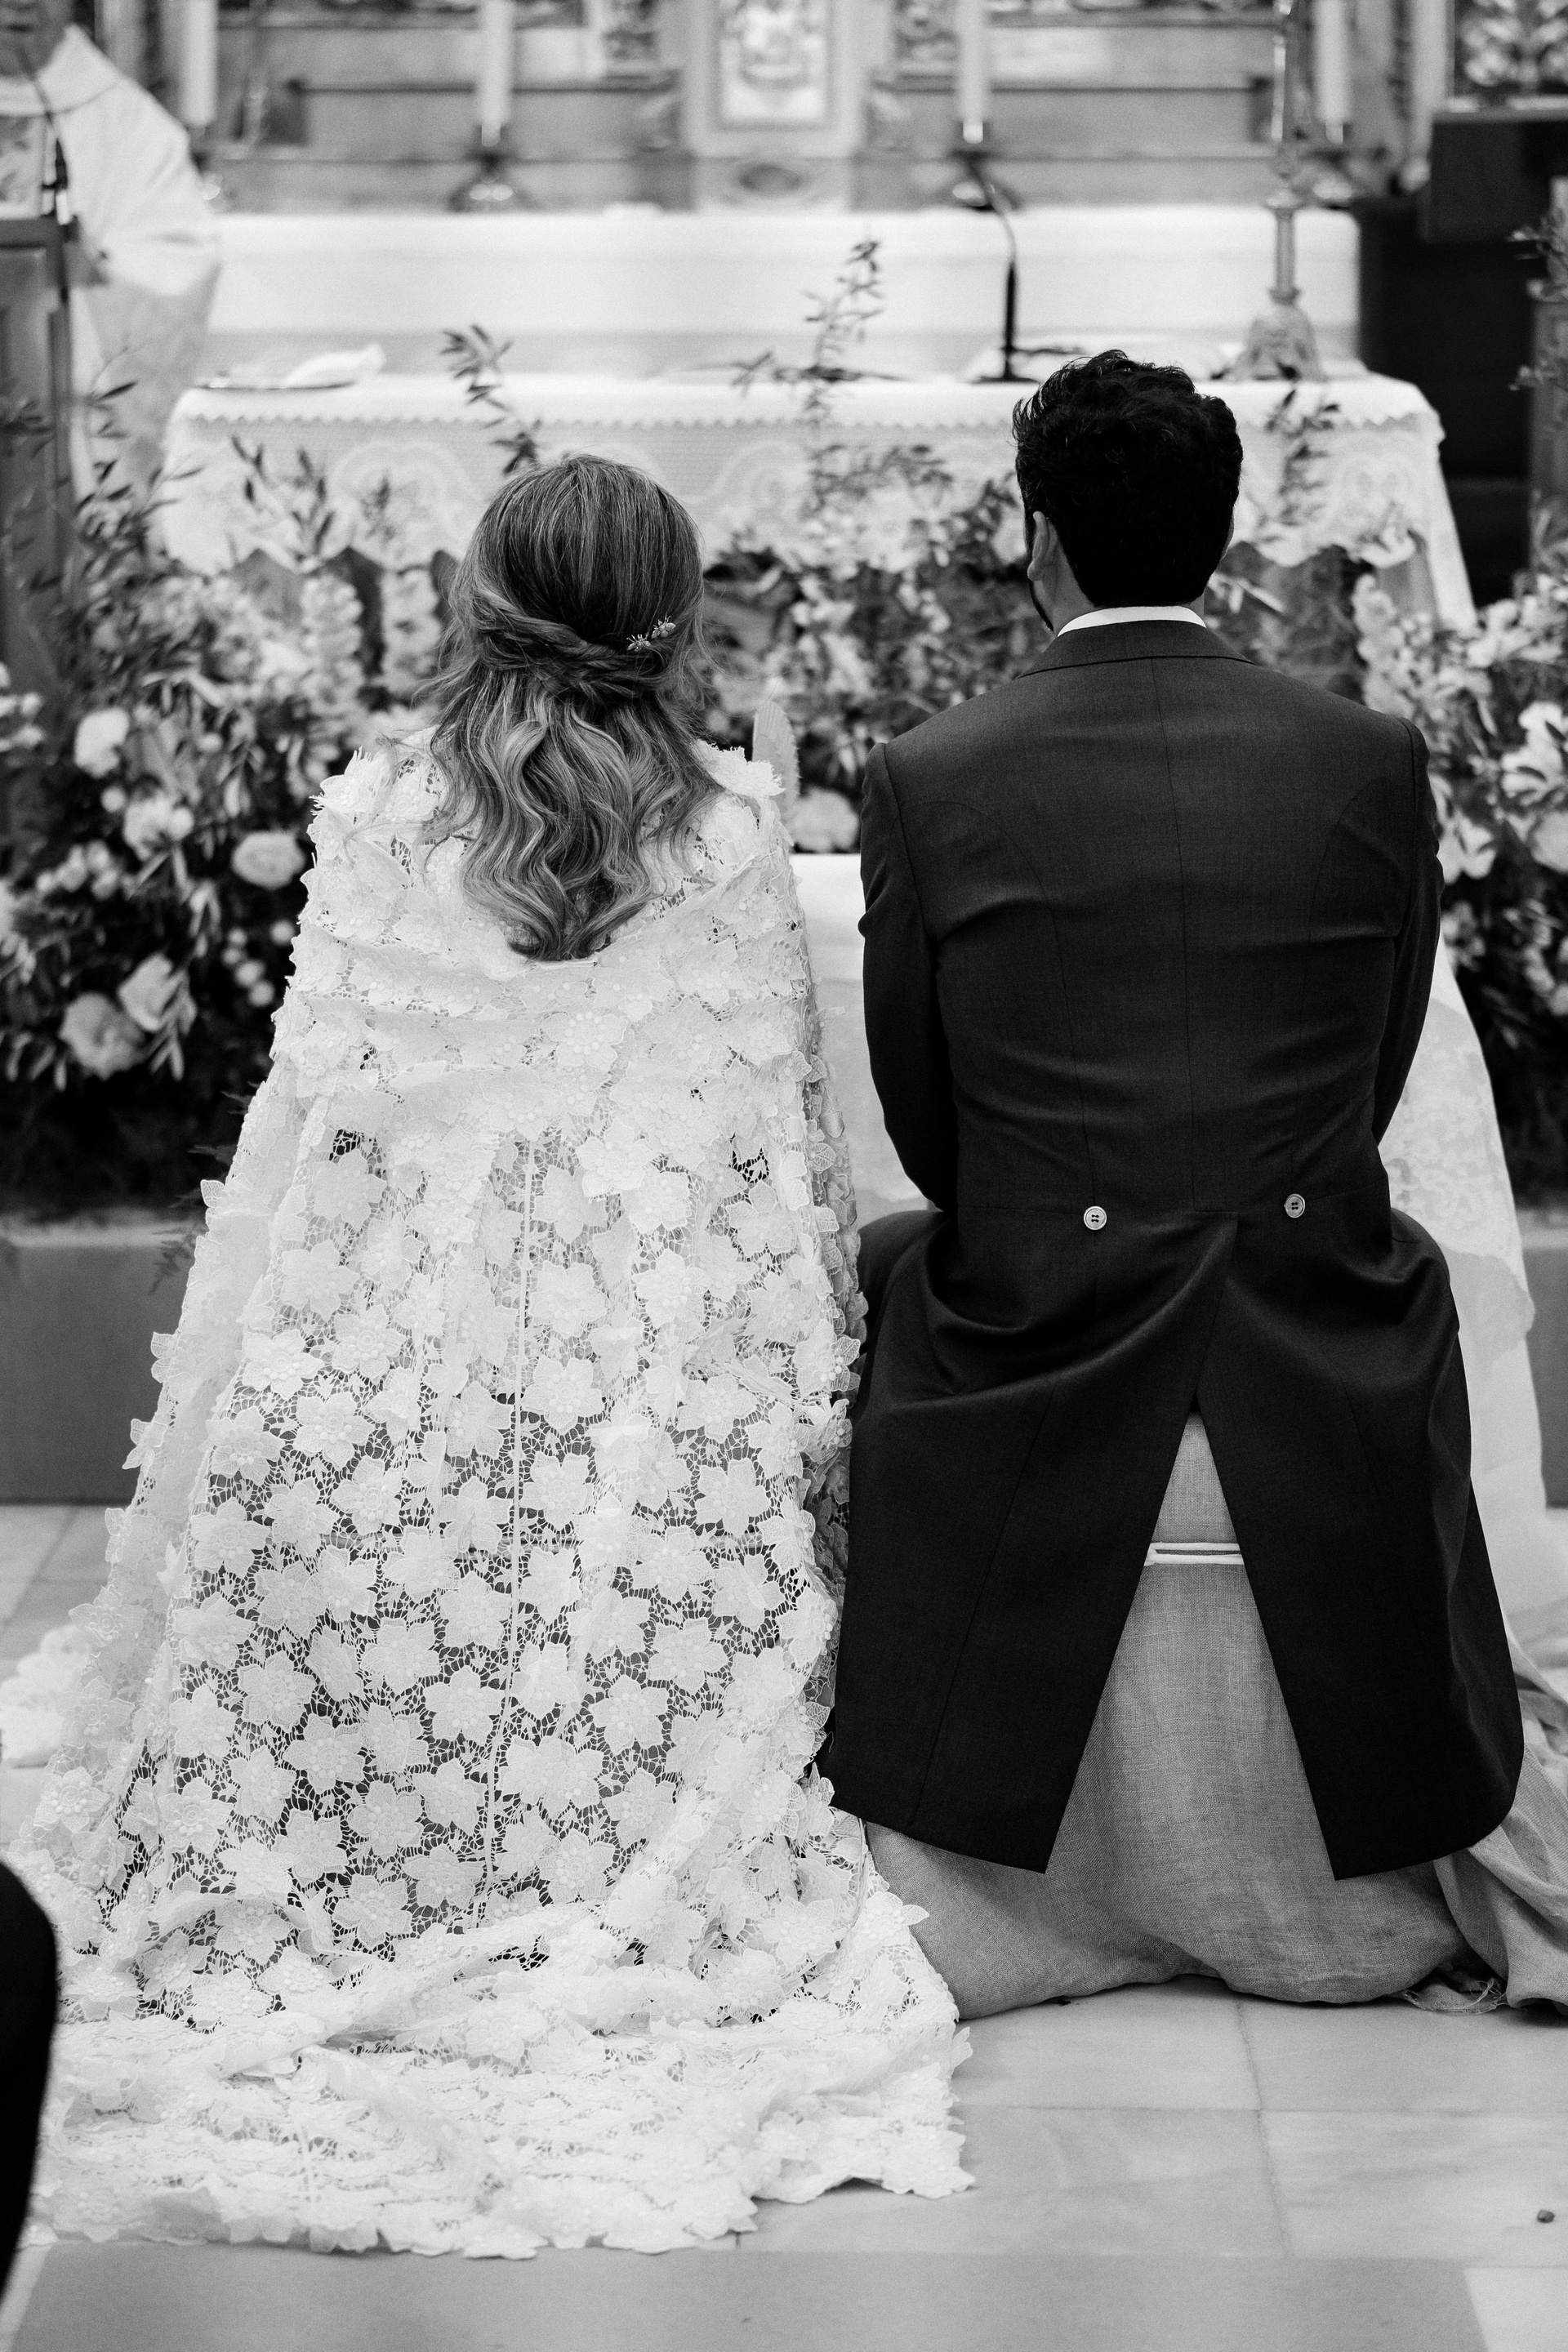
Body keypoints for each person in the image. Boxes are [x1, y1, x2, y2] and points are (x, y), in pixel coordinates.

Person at [15, 457, 963, 2253]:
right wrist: (800, 1403)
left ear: (479, 604)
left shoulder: (382, 813)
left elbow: (310, 1134)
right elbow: (775, 1163)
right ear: (673, 621)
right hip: (651, 1385)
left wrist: (273, 1373)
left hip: (390, 1368)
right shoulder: (733, 829)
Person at [821, 351, 1568, 2019]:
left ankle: (960, 1833)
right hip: (1309, 1307)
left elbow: (930, 1120)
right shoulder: (1366, 759)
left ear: (1038, 535)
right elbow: (1370, 1077)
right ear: (1224, 540)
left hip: (1042, 1318)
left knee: (882, 1261)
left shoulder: (933, 772)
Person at [0, 0, 219, 486]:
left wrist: (92, 275)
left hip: (72, 435)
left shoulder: (130, 125)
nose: (21, 2)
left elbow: (176, 267)